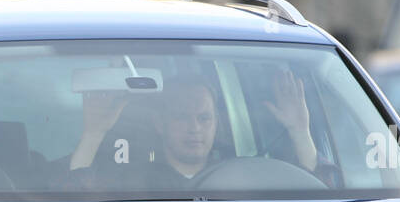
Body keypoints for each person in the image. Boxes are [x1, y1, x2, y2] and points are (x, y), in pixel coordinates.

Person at [67, 69, 319, 186]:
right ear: (160, 123)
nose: (194, 128)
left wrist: (300, 132)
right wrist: (93, 134)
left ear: (216, 123)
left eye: (204, 118)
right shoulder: (134, 180)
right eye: (181, 117)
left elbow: (312, 187)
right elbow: (74, 190)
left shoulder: (243, 176)